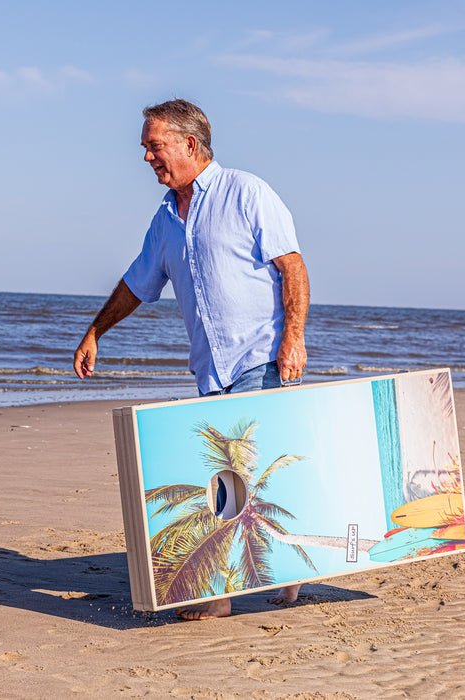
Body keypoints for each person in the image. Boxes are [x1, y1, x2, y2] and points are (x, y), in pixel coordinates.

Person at [73, 99, 310, 620]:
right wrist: (95, 331)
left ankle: (220, 596)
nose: (147, 157)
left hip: (260, 357)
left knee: (231, 476)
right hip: (211, 369)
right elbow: (138, 283)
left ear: (189, 144)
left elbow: (291, 266)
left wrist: (292, 339)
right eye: (145, 148)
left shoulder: (246, 192)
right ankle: (288, 573)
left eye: (154, 146)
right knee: (244, 476)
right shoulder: (164, 219)